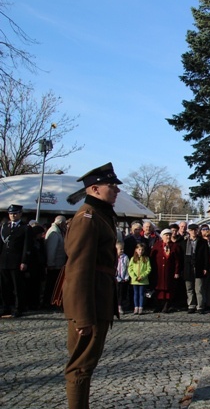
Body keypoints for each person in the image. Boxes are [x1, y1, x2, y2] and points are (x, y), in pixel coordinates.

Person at [62, 162, 122, 408]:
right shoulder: (87, 218)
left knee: (86, 365)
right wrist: (82, 317)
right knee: (80, 368)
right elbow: (78, 270)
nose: (117, 190)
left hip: (99, 299)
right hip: (90, 304)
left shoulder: (100, 216)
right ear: (95, 189)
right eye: (112, 186)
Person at [0, 204, 32, 318]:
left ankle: (19, 308)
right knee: (4, 286)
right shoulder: (5, 226)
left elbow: (26, 246)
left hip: (17, 261)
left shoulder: (25, 227)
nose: (12, 215)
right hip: (4, 260)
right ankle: (6, 307)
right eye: (10, 213)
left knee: (17, 287)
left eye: (15, 213)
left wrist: (24, 261)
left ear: (20, 214)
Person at [181, 224, 210, 314]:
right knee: (189, 288)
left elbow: (206, 256)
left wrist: (206, 267)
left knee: (199, 288)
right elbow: (181, 256)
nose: (193, 232)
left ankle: (200, 306)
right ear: (189, 231)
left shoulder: (202, 242)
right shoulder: (185, 242)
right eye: (191, 230)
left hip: (199, 266)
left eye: (195, 230)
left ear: (197, 231)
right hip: (187, 267)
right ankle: (191, 305)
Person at [149, 229, 181, 313]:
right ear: (162, 236)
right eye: (166, 235)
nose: (168, 237)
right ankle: (159, 305)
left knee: (168, 288)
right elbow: (152, 258)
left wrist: (176, 272)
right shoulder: (157, 245)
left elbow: (178, 260)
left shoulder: (175, 246)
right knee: (158, 288)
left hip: (169, 271)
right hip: (158, 271)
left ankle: (166, 305)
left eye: (169, 235)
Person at [44, 215, 67, 307]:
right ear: (61, 223)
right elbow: (51, 249)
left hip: (57, 263)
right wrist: (51, 263)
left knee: (54, 284)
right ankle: (48, 302)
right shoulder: (54, 232)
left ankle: (52, 301)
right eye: (64, 224)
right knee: (51, 284)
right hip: (54, 264)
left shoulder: (58, 231)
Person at [128, 243, 151, 315]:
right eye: (139, 249)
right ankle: (136, 307)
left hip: (143, 280)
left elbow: (148, 269)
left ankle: (141, 307)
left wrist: (142, 276)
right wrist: (134, 277)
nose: (140, 251)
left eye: (142, 250)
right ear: (136, 250)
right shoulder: (133, 258)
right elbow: (130, 268)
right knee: (135, 293)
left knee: (141, 294)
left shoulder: (146, 259)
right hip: (135, 280)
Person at [114, 242, 130, 315]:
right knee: (116, 293)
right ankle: (115, 306)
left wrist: (127, 276)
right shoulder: (114, 257)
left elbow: (128, 267)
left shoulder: (125, 257)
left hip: (123, 278)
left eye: (123, 249)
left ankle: (120, 306)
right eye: (120, 249)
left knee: (121, 293)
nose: (122, 251)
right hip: (116, 278)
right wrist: (116, 277)